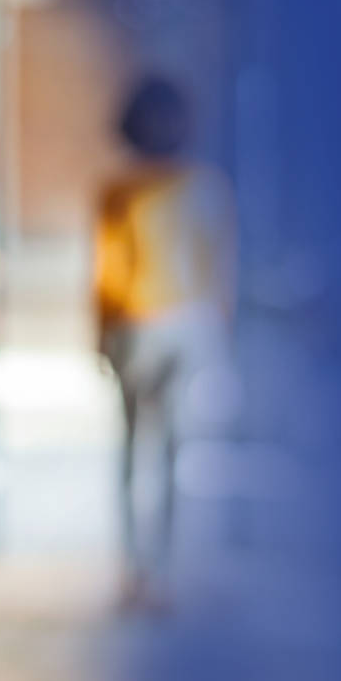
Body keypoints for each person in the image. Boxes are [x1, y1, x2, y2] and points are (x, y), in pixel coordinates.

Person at [94, 75, 236, 611]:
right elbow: (219, 266)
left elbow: (108, 271)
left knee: (139, 449)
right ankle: (158, 572)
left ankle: (141, 573)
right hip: (182, 326)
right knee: (169, 449)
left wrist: (101, 337)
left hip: (138, 327)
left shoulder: (120, 189)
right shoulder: (206, 184)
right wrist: (218, 332)